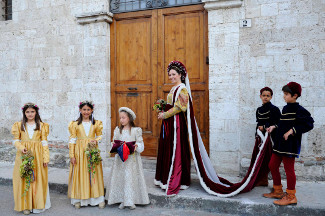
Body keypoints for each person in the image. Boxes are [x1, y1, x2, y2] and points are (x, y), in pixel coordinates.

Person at [263, 82, 314, 206]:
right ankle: (278, 191)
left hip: (290, 146)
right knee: (272, 165)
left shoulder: (299, 110)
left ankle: (291, 196)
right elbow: (282, 124)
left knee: (288, 169)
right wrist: (274, 127)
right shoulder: (285, 108)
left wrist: (292, 131)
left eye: (286, 94)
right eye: (284, 94)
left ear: (295, 95)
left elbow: (309, 123)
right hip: (280, 144)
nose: (284, 96)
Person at [155, 61, 191, 196]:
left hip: (176, 123)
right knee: (168, 147)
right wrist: (162, 106)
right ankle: (165, 177)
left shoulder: (182, 88)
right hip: (169, 122)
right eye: (170, 74)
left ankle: (178, 179)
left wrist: (165, 114)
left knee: (176, 148)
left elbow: (180, 107)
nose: (171, 77)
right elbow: (171, 104)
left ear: (180, 75)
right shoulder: (173, 88)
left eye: (174, 74)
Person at [105, 107, 150, 209]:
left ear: (129, 118)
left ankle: (130, 200)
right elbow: (114, 142)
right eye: (120, 118)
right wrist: (115, 146)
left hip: (132, 161)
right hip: (121, 160)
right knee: (122, 179)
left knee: (130, 179)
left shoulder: (135, 130)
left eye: (123, 118)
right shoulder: (117, 130)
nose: (121, 120)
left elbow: (140, 143)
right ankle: (122, 200)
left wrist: (136, 146)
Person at [11, 103, 51, 215]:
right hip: (23, 155)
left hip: (37, 156)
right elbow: (15, 140)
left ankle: (37, 203)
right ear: (24, 113)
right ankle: (26, 205)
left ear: (36, 112)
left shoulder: (42, 125)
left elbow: (44, 142)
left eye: (32, 112)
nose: (30, 114)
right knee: (24, 177)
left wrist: (46, 157)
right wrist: (21, 147)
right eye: (27, 112)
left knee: (37, 178)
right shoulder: (19, 125)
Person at [68, 101, 105, 209]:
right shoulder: (75, 124)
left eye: (88, 109)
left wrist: (96, 140)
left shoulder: (96, 123)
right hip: (80, 152)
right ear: (80, 110)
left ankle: (97, 199)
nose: (86, 112)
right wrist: (72, 155)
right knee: (81, 174)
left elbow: (100, 135)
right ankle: (79, 199)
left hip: (92, 151)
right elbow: (72, 140)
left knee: (94, 173)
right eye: (84, 109)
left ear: (92, 110)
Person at [254, 87, 280, 186]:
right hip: (260, 137)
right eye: (264, 95)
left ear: (271, 97)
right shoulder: (259, 110)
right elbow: (258, 124)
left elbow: (277, 123)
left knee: (271, 160)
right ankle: (263, 180)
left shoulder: (275, 109)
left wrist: (264, 127)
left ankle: (276, 184)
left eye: (268, 96)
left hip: (271, 137)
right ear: (260, 96)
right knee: (261, 159)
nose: (265, 98)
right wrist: (257, 136)